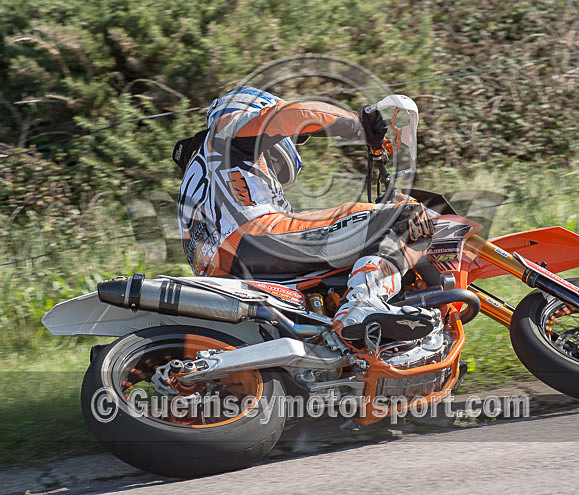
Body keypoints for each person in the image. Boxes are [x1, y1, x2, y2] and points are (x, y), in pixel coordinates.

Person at [176, 86, 437, 339]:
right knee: (403, 216)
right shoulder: (226, 132)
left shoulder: (211, 169)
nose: (277, 157)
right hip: (252, 238)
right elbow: (291, 115)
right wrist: (358, 123)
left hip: (225, 267)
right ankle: (363, 302)